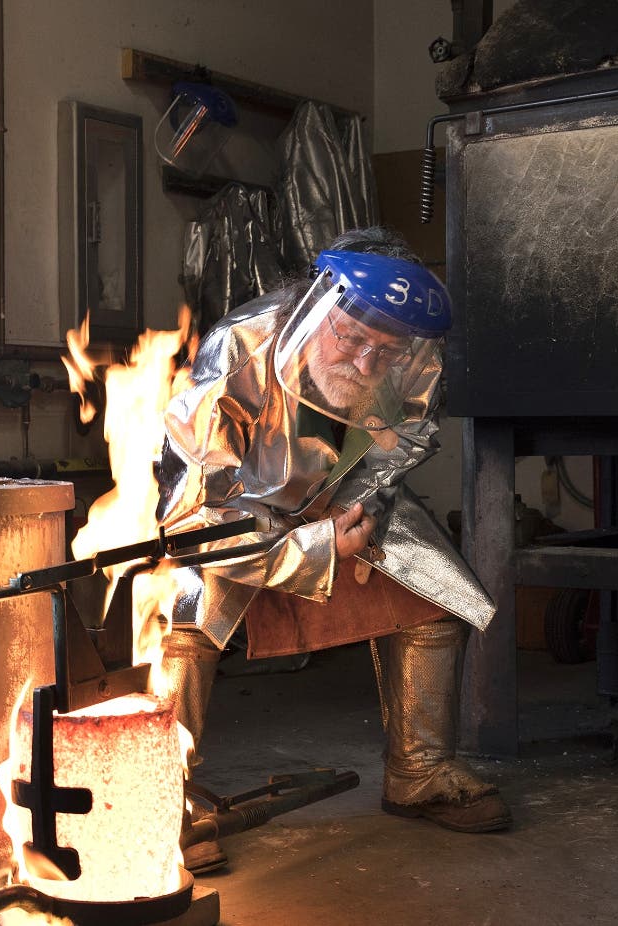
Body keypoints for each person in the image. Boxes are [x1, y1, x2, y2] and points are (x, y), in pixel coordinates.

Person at [154, 227, 512, 872]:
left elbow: (399, 445)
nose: (365, 363)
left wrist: (349, 514)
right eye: (349, 336)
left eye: (387, 350)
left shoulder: (417, 361)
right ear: (318, 307)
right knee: (184, 610)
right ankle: (162, 799)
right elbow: (195, 518)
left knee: (436, 587)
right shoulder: (240, 348)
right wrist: (311, 547)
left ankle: (419, 770)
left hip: (341, 502)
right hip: (230, 514)